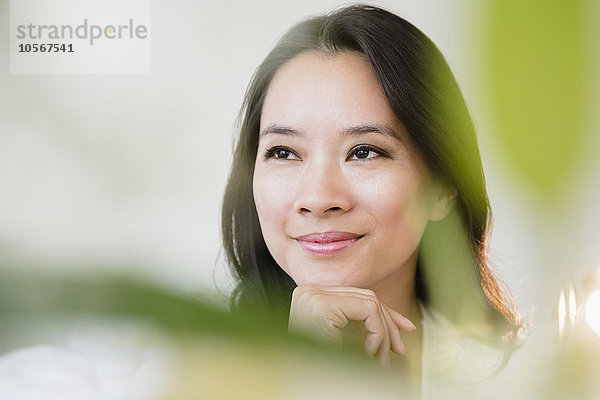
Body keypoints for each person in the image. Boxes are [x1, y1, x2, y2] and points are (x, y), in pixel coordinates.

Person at [221, 4, 526, 397]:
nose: (318, 198)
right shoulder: (180, 374)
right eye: (283, 152)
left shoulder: (535, 384)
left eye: (364, 151)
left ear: (444, 188)